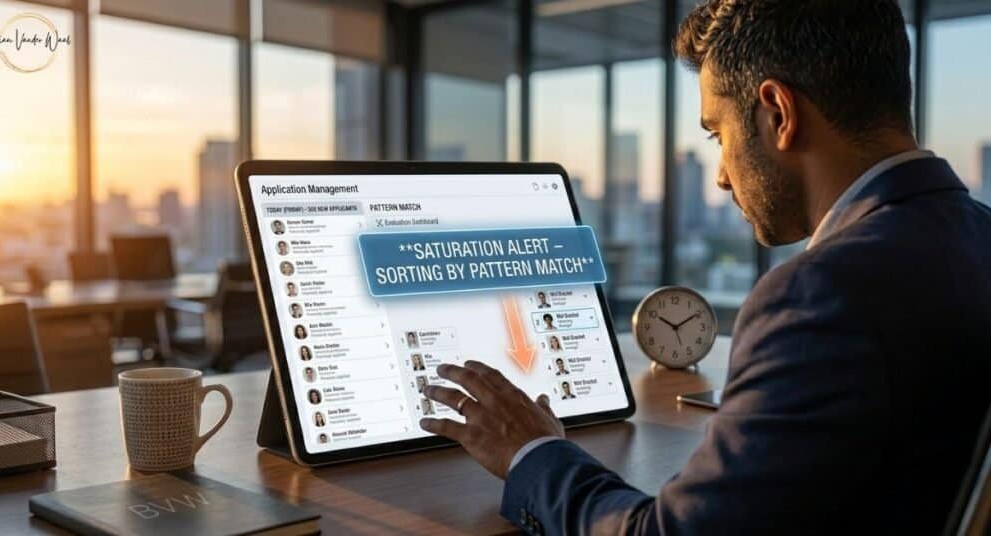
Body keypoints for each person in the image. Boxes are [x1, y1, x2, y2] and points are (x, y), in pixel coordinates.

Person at [415, 2, 991, 534]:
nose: (721, 174)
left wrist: (532, 453)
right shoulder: (977, 234)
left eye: (718, 132)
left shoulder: (821, 295)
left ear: (778, 113)